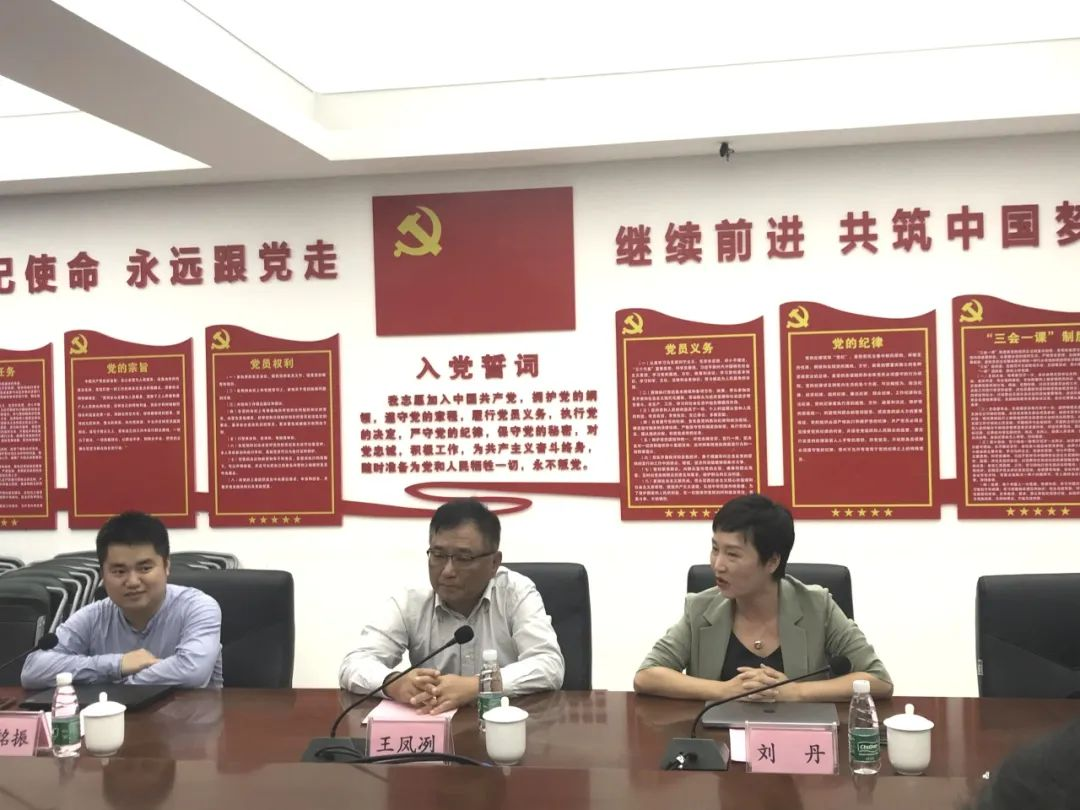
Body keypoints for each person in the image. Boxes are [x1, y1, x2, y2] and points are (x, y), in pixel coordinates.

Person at [634, 493, 891, 702]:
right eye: (715, 549)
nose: (718, 565)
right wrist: (724, 690)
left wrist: (796, 692)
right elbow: (647, 675)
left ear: (771, 562)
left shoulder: (817, 606)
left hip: (799, 742)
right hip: (718, 741)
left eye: (732, 554)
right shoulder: (701, 608)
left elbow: (878, 679)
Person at [339, 498, 564, 713]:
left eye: (463, 558)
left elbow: (549, 665)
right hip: (433, 724)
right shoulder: (411, 600)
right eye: (438, 555)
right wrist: (393, 683)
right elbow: (354, 664)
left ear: (494, 563)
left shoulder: (516, 592)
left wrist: (478, 685)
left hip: (506, 724)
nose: (447, 571)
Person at [21, 511, 223, 689]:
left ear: (166, 566)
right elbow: (33, 670)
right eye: (119, 571)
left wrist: (118, 684)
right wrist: (117, 664)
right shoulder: (94, 616)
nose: (132, 581)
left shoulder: (198, 608)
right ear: (103, 575)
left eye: (145, 568)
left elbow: (191, 671)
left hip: (191, 718)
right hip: (116, 719)